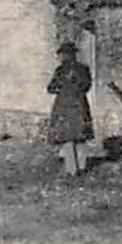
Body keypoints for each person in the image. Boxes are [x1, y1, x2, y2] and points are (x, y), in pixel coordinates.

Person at [47, 41, 94, 176]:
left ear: (71, 55)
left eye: (65, 54)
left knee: (71, 138)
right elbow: (86, 86)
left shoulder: (62, 70)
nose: (63, 57)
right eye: (63, 54)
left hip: (67, 106)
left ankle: (73, 169)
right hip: (76, 106)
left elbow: (51, 88)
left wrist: (63, 86)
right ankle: (78, 168)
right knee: (78, 137)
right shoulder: (78, 69)